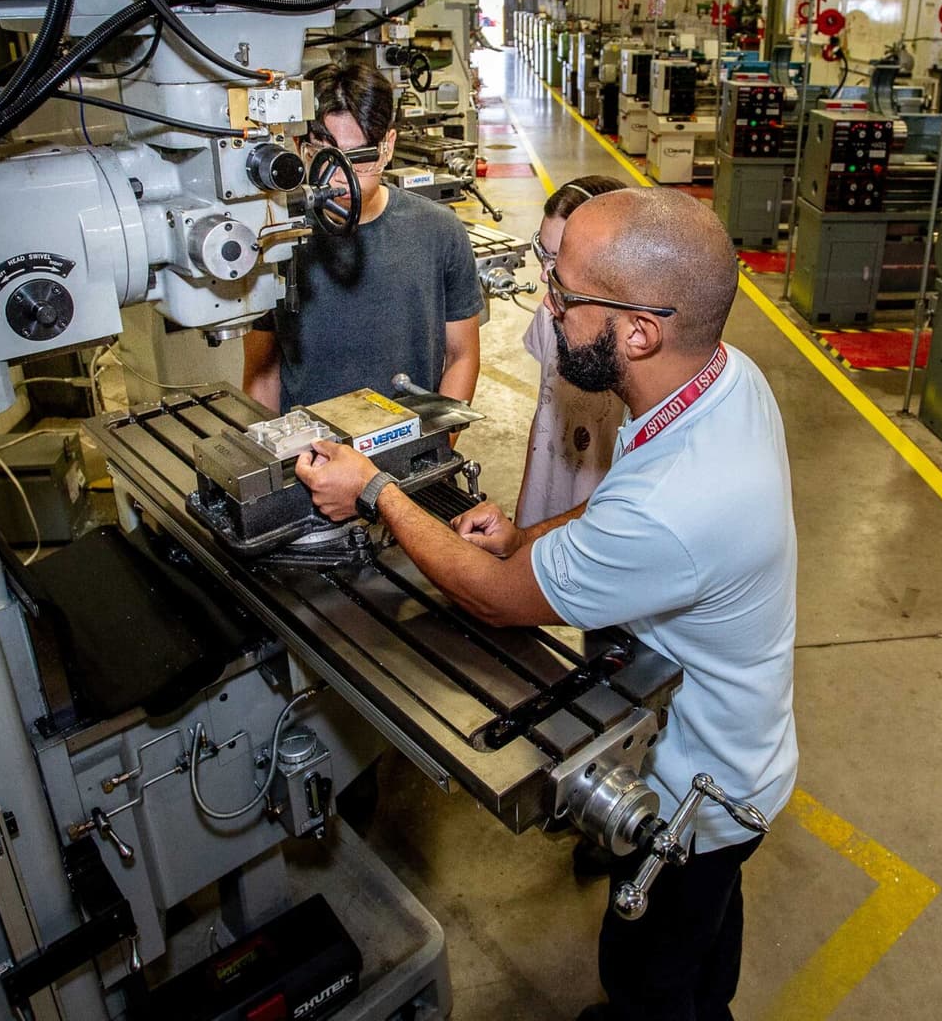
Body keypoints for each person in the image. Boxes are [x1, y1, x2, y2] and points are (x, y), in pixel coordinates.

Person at [296, 187, 798, 1021]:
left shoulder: (683, 501)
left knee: (647, 979)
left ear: (639, 330)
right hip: (745, 758)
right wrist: (530, 537)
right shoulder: (720, 381)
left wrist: (375, 489)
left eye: (564, 296)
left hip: (692, 797)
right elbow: (620, 505)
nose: (546, 309)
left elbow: (495, 602)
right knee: (708, 938)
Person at [241, 60, 483, 410]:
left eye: (360, 158)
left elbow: (462, 356)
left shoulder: (440, 231)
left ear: (388, 147)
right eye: (321, 155)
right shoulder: (275, 240)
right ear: (298, 146)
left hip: (408, 445)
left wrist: (438, 444)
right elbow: (262, 372)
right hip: (311, 454)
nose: (339, 179)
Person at [517, 175, 629, 529]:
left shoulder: (630, 343)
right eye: (543, 253)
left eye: (558, 260)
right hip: (547, 499)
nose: (543, 275)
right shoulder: (549, 315)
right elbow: (544, 411)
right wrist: (524, 516)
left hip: (603, 517)